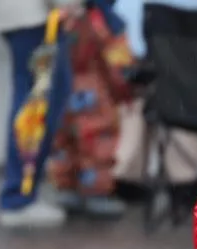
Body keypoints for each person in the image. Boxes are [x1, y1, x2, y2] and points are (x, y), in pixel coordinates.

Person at [0, 0, 74, 228]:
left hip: (15, 13)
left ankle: (21, 192)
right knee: (38, 101)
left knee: (34, 95)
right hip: (34, 13)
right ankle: (19, 196)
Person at [46, 0, 136, 219]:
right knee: (98, 142)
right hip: (95, 93)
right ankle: (96, 192)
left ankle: (67, 187)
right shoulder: (103, 21)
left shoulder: (59, 19)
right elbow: (118, 65)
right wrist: (126, 90)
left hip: (62, 92)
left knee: (64, 141)